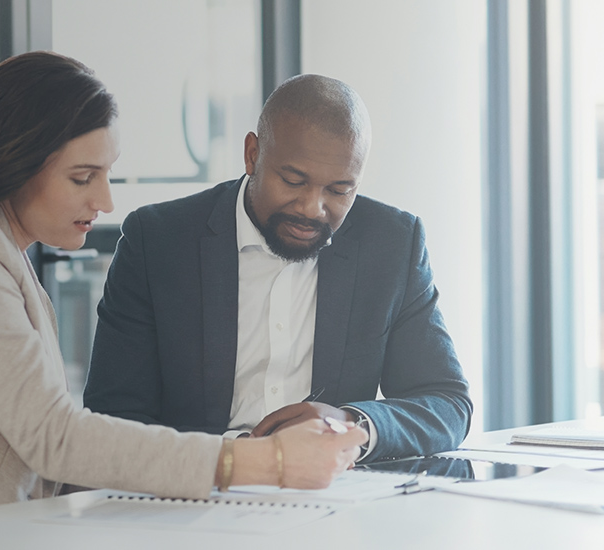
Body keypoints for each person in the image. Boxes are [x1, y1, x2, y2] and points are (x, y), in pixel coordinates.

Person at [0, 53, 367, 539]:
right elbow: (54, 438)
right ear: (15, 163)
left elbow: (49, 456)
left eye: (107, 175)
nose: (104, 201)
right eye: (83, 178)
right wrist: (266, 463)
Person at [83, 74, 472, 463]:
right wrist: (242, 458)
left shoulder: (391, 244)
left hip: (337, 492)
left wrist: (351, 424)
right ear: (252, 154)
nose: (312, 208)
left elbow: (447, 403)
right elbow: (113, 416)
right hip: (196, 485)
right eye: (293, 181)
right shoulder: (158, 241)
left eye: (339, 190)